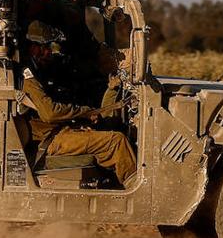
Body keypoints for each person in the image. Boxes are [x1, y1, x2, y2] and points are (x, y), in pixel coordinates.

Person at [20, 21, 137, 188]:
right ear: (33, 47)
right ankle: (140, 194)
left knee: (109, 129)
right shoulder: (28, 78)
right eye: (45, 47)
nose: (49, 52)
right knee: (116, 142)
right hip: (51, 139)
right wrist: (85, 113)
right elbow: (50, 113)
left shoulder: (40, 71)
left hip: (59, 131)